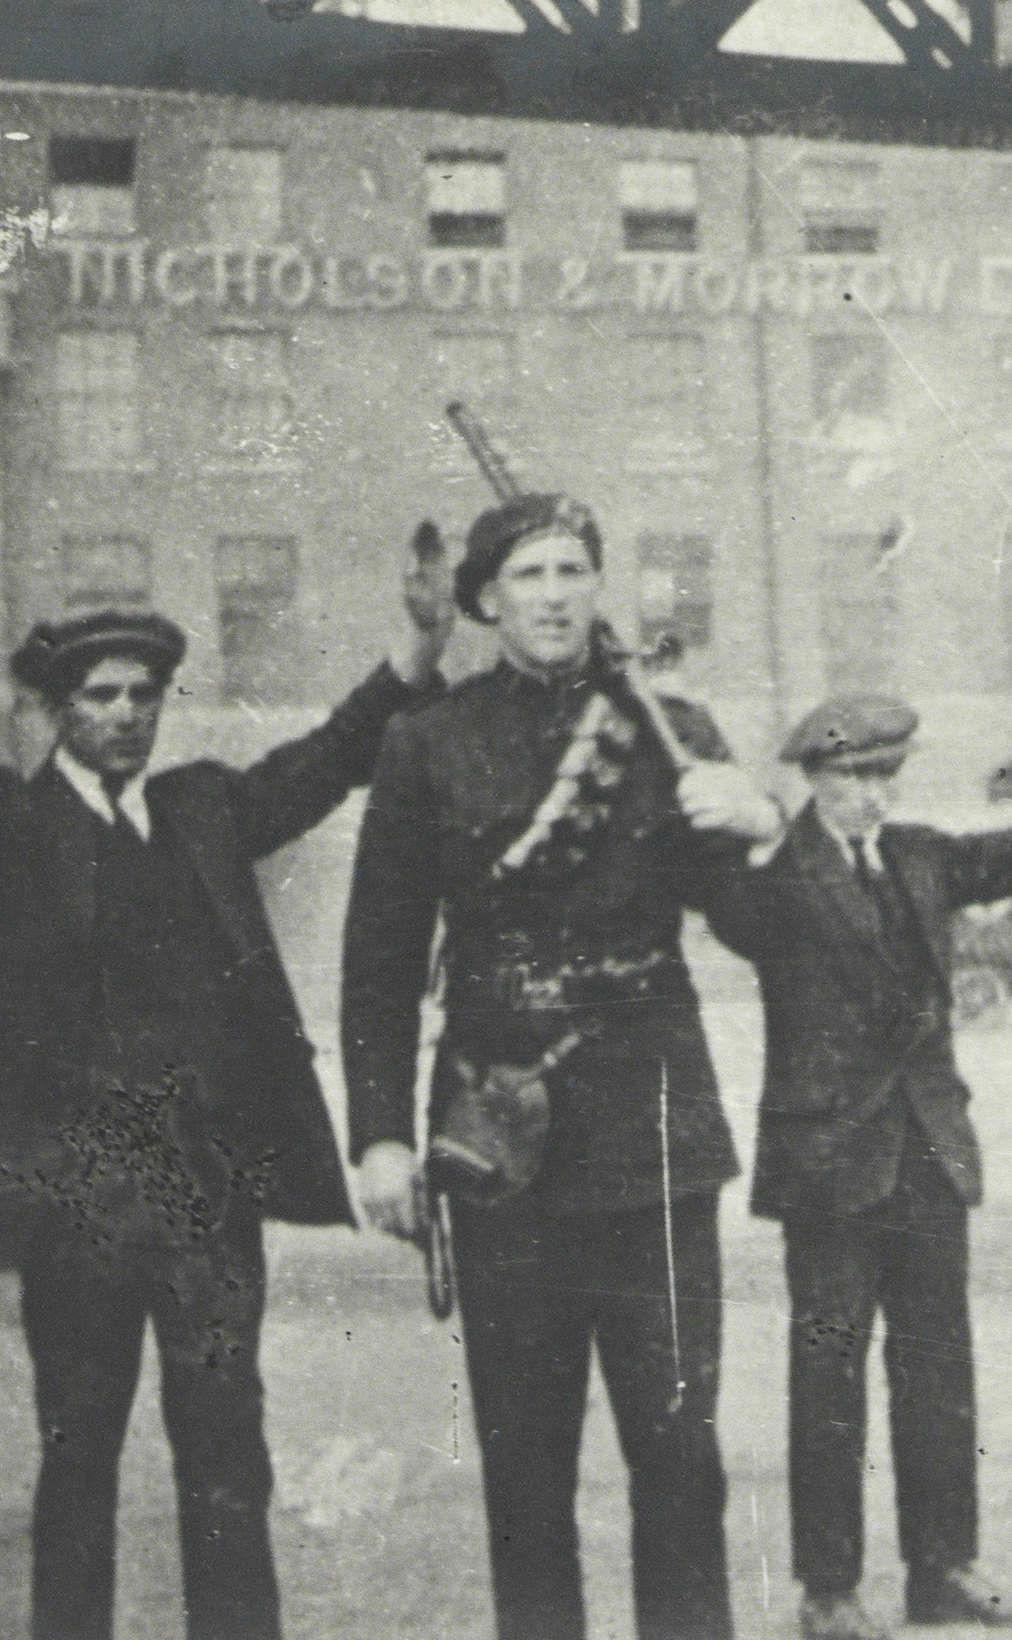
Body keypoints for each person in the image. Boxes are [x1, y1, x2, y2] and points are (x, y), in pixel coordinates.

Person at [0, 491, 450, 1640]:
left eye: (143, 695)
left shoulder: (204, 810)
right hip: (76, 1218)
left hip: (210, 1208)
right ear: (55, 712)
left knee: (229, 1455)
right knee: (78, 1458)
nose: (127, 715)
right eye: (100, 697)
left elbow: (328, 759)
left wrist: (413, 648)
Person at [340, 493, 783, 1640]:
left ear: (601, 587)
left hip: (654, 1132)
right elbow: (381, 952)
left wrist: (762, 823)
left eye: (574, 568)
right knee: (526, 1464)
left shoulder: (672, 728)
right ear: (486, 601)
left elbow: (764, 931)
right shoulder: (425, 741)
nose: (553, 593)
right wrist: (382, 1132)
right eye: (528, 573)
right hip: (501, 1143)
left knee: (680, 1449)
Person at [698, 677, 1012, 1640]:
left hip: (929, 1155)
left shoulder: (923, 856)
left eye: (883, 776)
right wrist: (759, 823)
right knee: (829, 1377)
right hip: (828, 1166)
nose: (869, 796)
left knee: (939, 1371)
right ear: (813, 779)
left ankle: (943, 1571)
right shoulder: (770, 870)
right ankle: (829, 1591)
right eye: (850, 777)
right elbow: (734, 911)